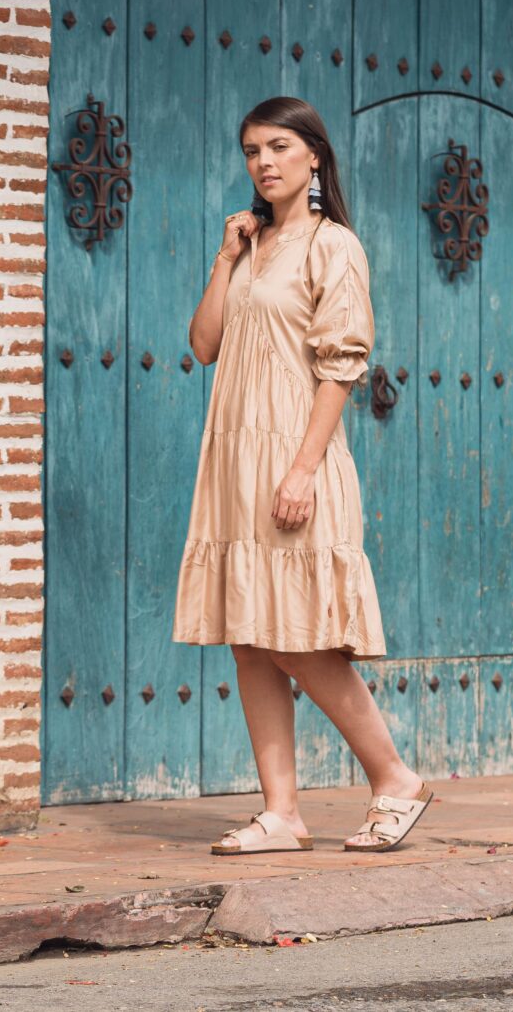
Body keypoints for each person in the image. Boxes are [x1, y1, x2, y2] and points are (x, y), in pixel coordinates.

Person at [175, 95, 431, 854]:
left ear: (314, 155)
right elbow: (203, 345)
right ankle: (282, 813)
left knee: (298, 636)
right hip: (235, 461)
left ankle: (395, 779)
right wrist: (226, 257)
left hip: (295, 458)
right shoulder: (250, 246)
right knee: (251, 638)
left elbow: (342, 366)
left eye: (280, 146)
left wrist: (303, 469)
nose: (264, 162)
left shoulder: (333, 245)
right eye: (252, 150)